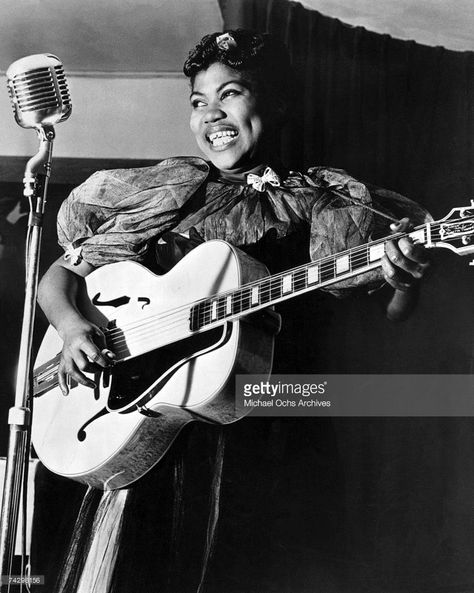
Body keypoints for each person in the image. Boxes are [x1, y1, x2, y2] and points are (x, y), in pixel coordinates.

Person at [33, 30, 431, 593]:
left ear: (277, 102)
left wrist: (403, 282)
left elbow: (383, 320)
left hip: (275, 414)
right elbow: (61, 276)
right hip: (160, 419)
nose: (212, 114)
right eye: (198, 101)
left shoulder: (323, 199)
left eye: (232, 93)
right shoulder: (172, 191)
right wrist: (74, 328)